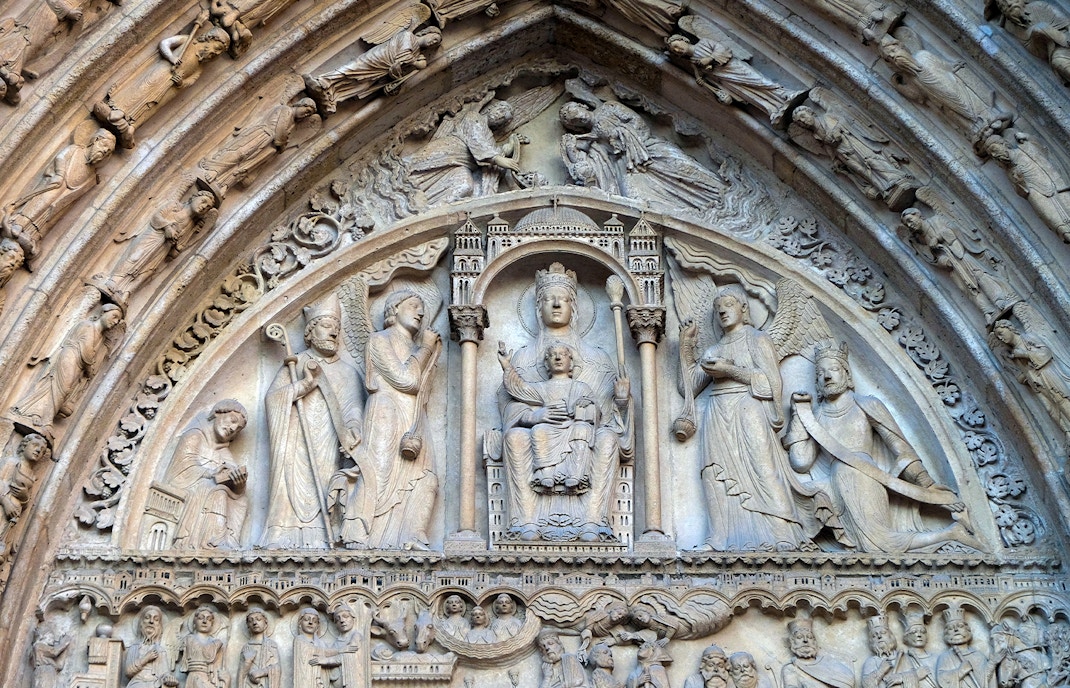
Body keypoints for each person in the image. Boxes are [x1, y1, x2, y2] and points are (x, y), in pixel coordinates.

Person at [786, 341, 983, 553]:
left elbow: (901, 449)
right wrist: (799, 414)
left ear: (847, 375)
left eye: (833, 370)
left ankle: (950, 533)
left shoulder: (866, 404)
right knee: (794, 504)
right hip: (833, 483)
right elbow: (801, 462)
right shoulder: (818, 416)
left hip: (863, 477)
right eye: (820, 373)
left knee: (878, 545)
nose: (826, 376)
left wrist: (928, 488)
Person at [499, 262, 632, 542]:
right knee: (514, 438)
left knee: (606, 439)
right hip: (543, 432)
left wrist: (621, 402)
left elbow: (607, 417)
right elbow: (513, 402)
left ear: (576, 307)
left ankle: (593, 523)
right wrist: (536, 416)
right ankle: (526, 524)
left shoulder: (597, 358)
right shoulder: (522, 358)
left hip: (583, 434)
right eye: (548, 299)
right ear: (537, 308)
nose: (556, 304)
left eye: (564, 299)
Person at [680, 284, 812, 551]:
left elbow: (772, 384)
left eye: (728, 305)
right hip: (718, 412)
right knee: (714, 473)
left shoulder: (757, 340)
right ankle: (718, 539)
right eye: (718, 309)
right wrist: (686, 347)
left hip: (749, 408)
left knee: (763, 469)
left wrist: (730, 370)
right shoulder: (713, 350)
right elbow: (688, 388)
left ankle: (782, 534)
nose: (722, 312)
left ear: (743, 308)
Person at [329, 290, 440, 550]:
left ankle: (412, 535)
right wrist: (425, 347)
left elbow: (423, 387)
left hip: (413, 418)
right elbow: (407, 380)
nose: (420, 312)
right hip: (386, 412)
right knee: (377, 472)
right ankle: (359, 534)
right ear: (394, 309)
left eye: (422, 307)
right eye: (413, 305)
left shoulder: (416, 348)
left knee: (426, 476)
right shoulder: (379, 341)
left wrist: (430, 353)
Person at [260, 295, 363, 549]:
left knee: (325, 482)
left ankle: (318, 537)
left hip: (327, 441)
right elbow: (273, 400)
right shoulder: (295, 365)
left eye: (337, 329)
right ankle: (282, 534)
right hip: (294, 436)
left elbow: (353, 410)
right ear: (309, 330)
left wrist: (354, 430)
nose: (334, 333)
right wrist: (304, 385)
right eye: (327, 326)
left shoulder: (348, 372)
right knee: (290, 481)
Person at [559, 99, 725, 212]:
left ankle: (719, 195)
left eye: (577, 112)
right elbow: (588, 168)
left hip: (646, 151)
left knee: (682, 169)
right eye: (575, 122)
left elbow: (638, 124)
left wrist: (625, 139)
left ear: (583, 106)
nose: (579, 117)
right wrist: (571, 147)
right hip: (627, 166)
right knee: (634, 198)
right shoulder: (592, 141)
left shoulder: (609, 108)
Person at [10, 302, 124, 439]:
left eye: (117, 320)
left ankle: (36, 412)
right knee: (62, 387)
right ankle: (45, 420)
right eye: (114, 316)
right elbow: (86, 351)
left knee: (63, 389)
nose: (115, 321)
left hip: (78, 364)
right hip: (70, 356)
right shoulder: (87, 326)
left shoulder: (100, 337)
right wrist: (90, 368)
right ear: (102, 313)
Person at [498, 342, 600, 494]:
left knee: (582, 430)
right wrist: (507, 366)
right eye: (552, 355)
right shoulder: (541, 387)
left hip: (573, 425)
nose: (558, 358)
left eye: (563, 355)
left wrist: (586, 404)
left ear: (571, 362)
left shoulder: (581, 387)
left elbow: (595, 410)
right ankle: (545, 473)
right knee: (539, 430)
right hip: (549, 425)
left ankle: (576, 474)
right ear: (546, 363)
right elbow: (520, 389)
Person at [1, 129, 116, 259]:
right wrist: (60, 174)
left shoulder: (92, 173)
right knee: (41, 203)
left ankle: (33, 234)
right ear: (96, 140)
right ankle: (19, 223)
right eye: (105, 146)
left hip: (67, 195)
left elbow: (83, 185)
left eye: (109, 152)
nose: (106, 151)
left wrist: (92, 182)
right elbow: (61, 157)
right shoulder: (76, 150)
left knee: (52, 215)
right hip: (56, 184)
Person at [405, 99, 525, 206]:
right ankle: (405, 193)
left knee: (465, 186)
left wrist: (509, 146)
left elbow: (489, 155)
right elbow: (477, 140)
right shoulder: (473, 117)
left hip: (462, 164)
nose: (500, 116)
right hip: (448, 151)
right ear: (491, 108)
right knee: (413, 171)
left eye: (504, 118)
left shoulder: (490, 139)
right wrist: (497, 158)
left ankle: (432, 209)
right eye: (500, 111)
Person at [165, 399, 248, 549]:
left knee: (241, 501)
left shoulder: (223, 451)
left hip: (206, 489)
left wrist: (239, 484)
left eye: (237, 429)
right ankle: (211, 542)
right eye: (233, 420)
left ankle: (229, 541)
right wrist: (211, 473)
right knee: (217, 490)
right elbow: (180, 471)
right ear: (218, 413)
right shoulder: (195, 436)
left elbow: (236, 488)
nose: (233, 428)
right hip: (190, 489)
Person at [303, 27, 442, 114]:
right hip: (379, 57)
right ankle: (323, 81)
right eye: (434, 38)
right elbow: (403, 55)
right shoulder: (408, 36)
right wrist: (416, 63)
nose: (433, 42)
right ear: (427, 32)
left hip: (383, 70)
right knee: (353, 68)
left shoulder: (417, 54)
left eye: (436, 43)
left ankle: (333, 97)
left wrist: (399, 75)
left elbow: (399, 70)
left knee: (362, 85)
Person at [0, 433, 49, 562]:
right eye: (35, 445)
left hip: (13, 517)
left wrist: (25, 497)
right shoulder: (12, 463)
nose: (38, 450)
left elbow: (26, 502)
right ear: (23, 446)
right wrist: (6, 502)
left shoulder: (32, 475)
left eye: (42, 450)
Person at [782, 618, 856, 688]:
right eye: (799, 637)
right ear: (792, 642)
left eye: (809, 637)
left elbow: (848, 681)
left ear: (814, 641)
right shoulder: (791, 668)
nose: (805, 640)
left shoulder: (828, 662)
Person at [125, 606, 178, 688]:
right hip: (137, 684)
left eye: (156, 619)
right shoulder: (134, 648)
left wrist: (168, 678)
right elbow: (128, 672)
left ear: (159, 626)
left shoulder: (160, 650)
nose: (151, 622)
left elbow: (165, 673)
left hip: (155, 684)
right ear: (141, 623)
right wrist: (145, 659)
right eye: (147, 618)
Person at [935, 607, 987, 688]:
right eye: (951, 628)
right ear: (946, 634)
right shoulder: (945, 657)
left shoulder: (979, 656)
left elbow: (986, 681)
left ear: (968, 630)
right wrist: (960, 672)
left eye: (960, 626)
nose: (956, 630)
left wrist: (992, 664)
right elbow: (942, 679)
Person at [177, 607, 226, 688]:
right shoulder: (188, 640)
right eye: (200, 618)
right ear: (194, 622)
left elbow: (219, 668)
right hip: (192, 678)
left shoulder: (217, 643)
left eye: (209, 619)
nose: (204, 621)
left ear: (212, 624)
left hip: (209, 679)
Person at [293, 608, 339, 688]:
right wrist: (342, 650)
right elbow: (316, 651)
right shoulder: (299, 639)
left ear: (317, 626)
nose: (310, 622)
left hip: (321, 681)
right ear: (300, 623)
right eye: (307, 619)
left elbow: (330, 659)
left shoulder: (321, 644)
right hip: (305, 681)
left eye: (314, 621)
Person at [237, 608, 280, 688]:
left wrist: (262, 672)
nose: (254, 623)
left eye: (258, 619)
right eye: (251, 620)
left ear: (265, 623)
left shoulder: (271, 645)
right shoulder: (246, 647)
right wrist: (247, 662)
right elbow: (241, 675)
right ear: (248, 626)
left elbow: (276, 667)